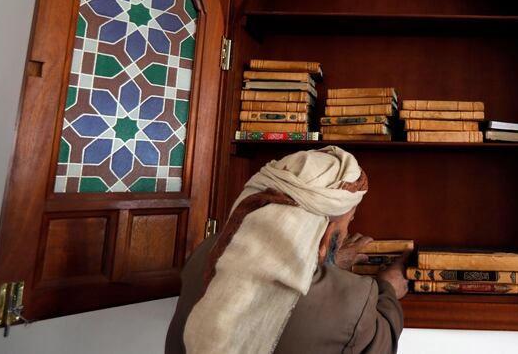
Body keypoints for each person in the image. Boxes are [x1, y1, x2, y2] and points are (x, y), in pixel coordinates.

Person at [165, 145, 408, 354]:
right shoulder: (353, 299)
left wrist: (327, 265)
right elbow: (382, 344)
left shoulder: (204, 254)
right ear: (325, 232)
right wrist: (387, 286)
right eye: (349, 220)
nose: (346, 232)